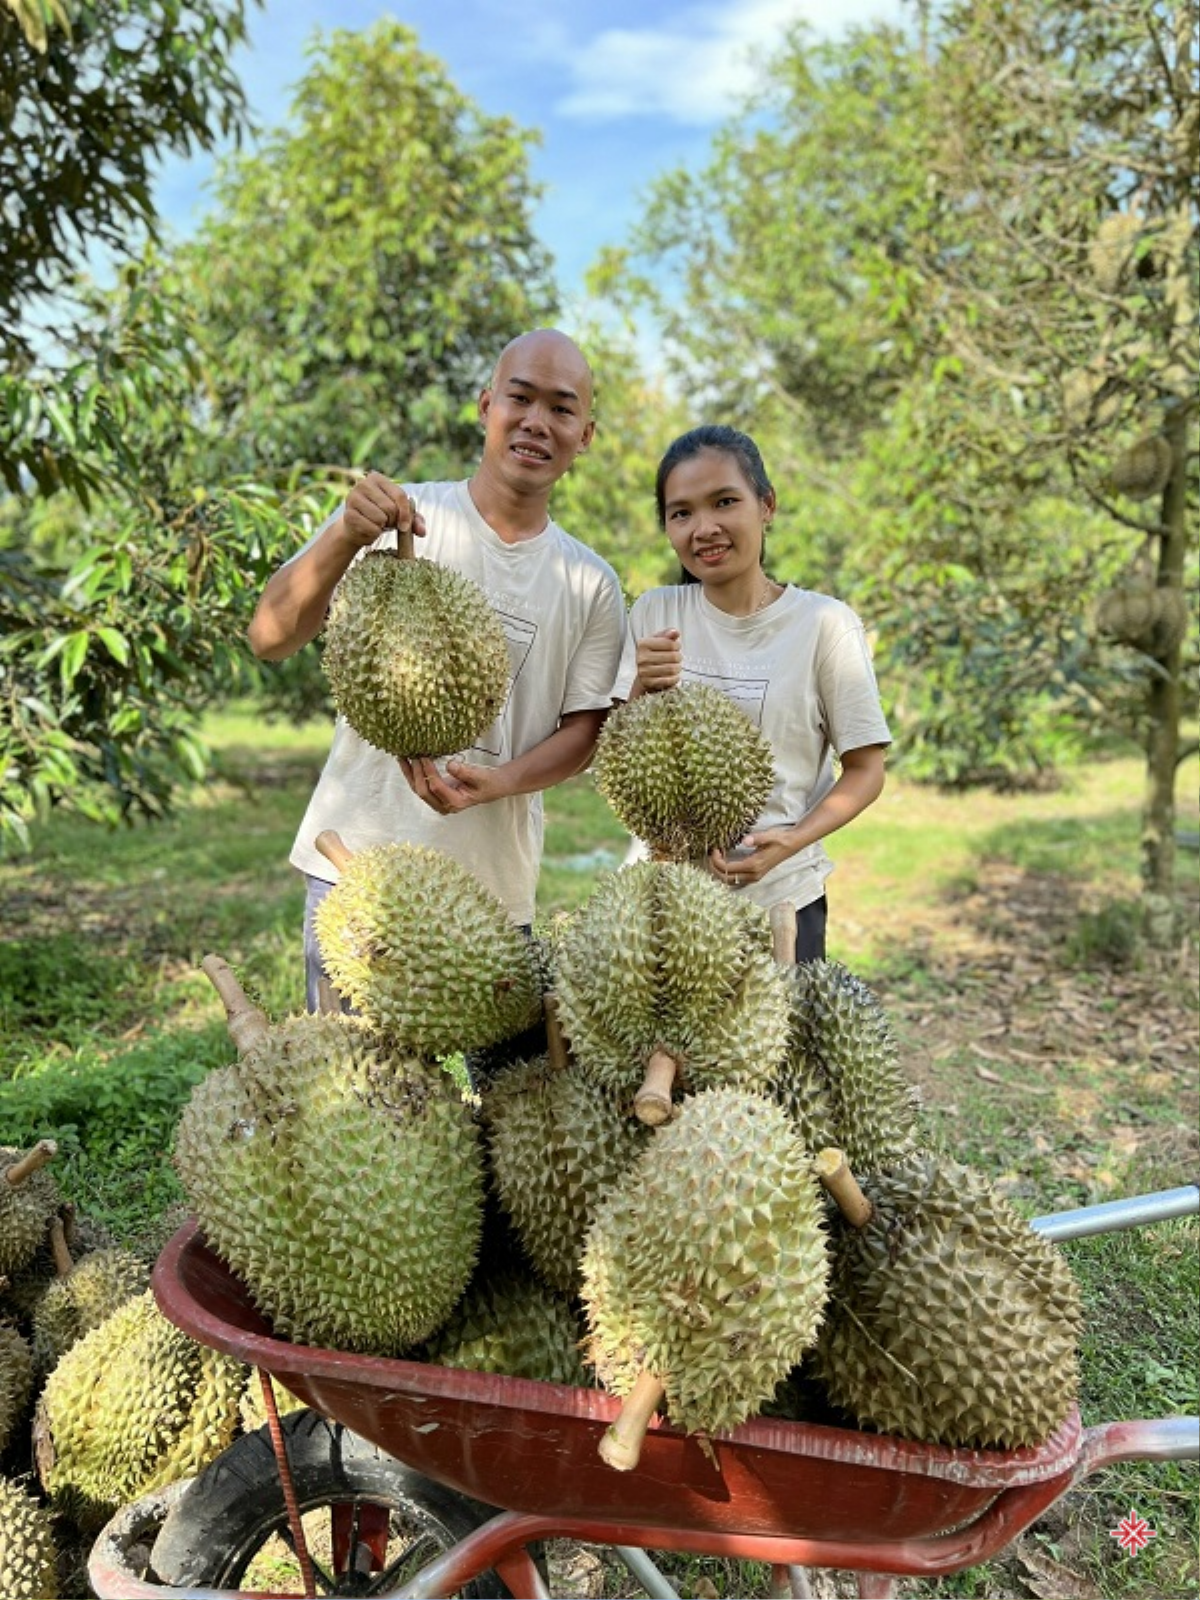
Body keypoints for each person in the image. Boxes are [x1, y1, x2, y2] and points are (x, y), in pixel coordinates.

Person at [248, 328, 626, 1010]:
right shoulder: (391, 518)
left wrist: (501, 781)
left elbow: (588, 730)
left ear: (586, 433)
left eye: (562, 408)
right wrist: (342, 534)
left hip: (493, 889)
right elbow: (269, 636)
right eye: (520, 398)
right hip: (359, 871)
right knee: (351, 1099)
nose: (537, 421)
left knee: (502, 1107)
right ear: (486, 407)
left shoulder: (591, 581)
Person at [611, 424, 890, 962]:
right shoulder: (655, 612)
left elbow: (866, 768)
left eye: (724, 502)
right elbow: (619, 761)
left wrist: (791, 841)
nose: (704, 528)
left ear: (766, 505)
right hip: (665, 899)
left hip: (782, 899)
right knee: (664, 1050)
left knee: (778, 1048)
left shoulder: (825, 625)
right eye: (682, 513)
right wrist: (643, 683)